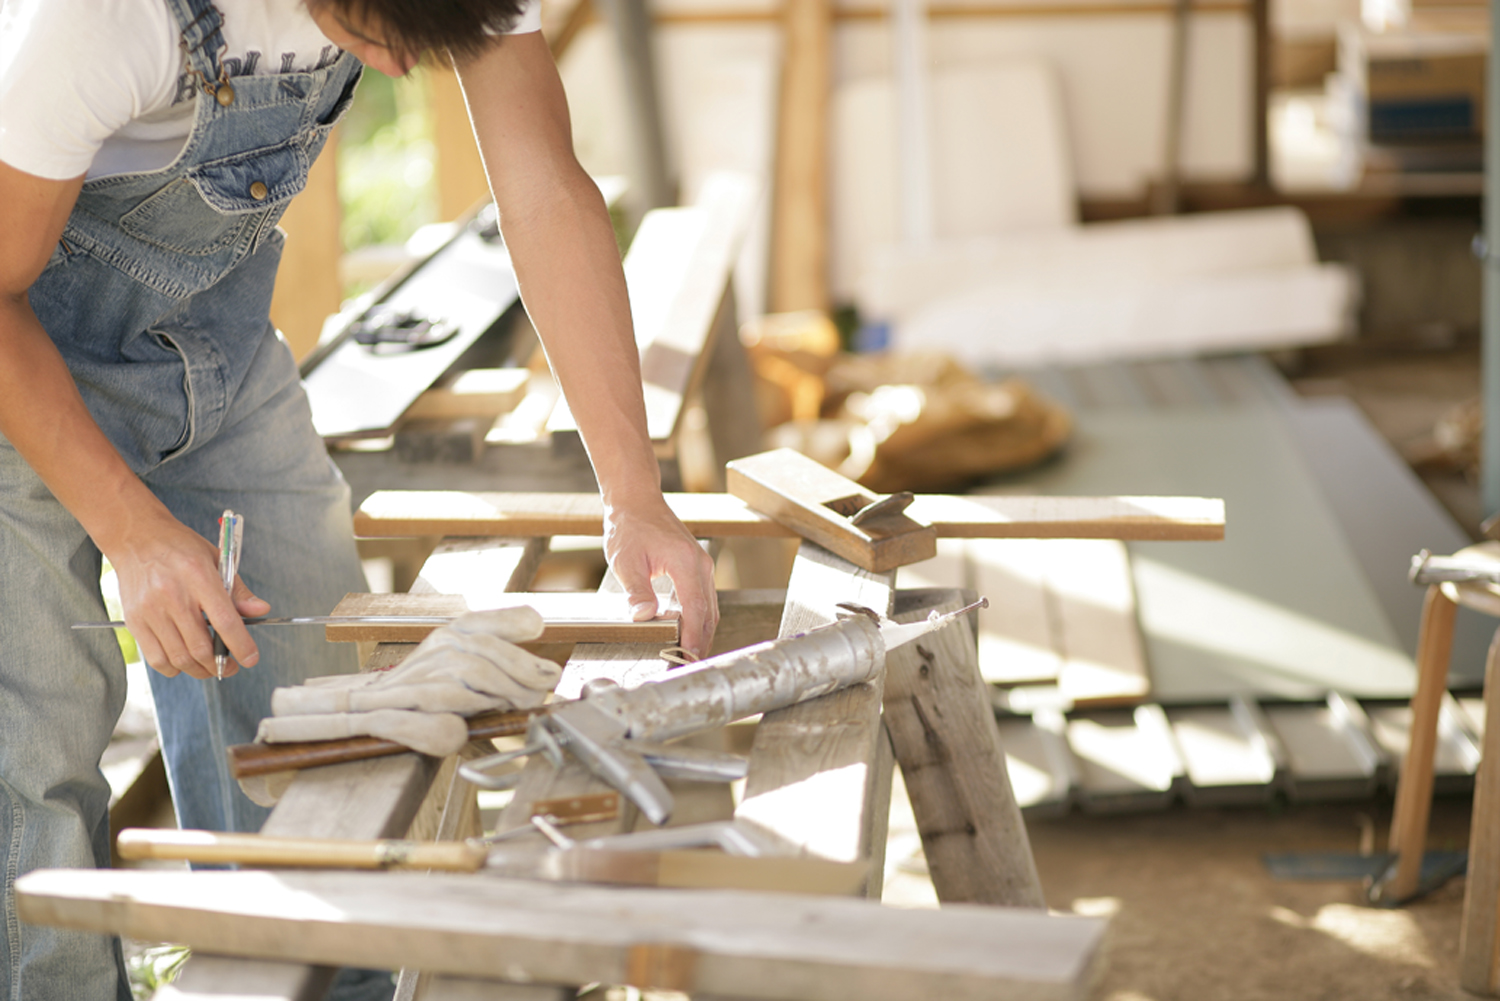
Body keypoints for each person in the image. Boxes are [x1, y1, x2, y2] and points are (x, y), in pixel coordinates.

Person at [0, 0, 719, 996]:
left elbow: (547, 188)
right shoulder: (104, 20)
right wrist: (129, 528)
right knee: (33, 770)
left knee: (321, 738)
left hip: (216, 348)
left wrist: (634, 495)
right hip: (16, 350)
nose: (395, 70)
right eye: (387, 34)